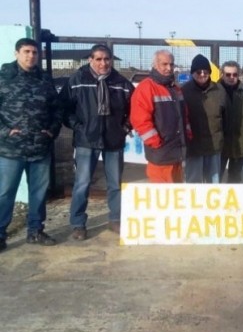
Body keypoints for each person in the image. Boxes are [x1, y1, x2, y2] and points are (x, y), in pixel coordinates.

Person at [61, 44, 134, 240]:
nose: (103, 63)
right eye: (99, 59)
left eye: (107, 59)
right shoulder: (77, 81)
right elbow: (64, 108)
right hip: (86, 140)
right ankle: (78, 224)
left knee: (115, 184)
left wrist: (125, 127)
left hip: (113, 140)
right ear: (90, 60)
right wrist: (77, 126)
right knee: (82, 183)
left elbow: (134, 109)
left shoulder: (121, 82)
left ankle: (115, 219)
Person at [0, 38, 63, 251]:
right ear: (16, 53)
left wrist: (51, 131)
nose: (31, 56)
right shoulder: (4, 78)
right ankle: (0, 234)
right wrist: (5, 132)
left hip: (40, 148)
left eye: (35, 52)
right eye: (26, 51)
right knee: (6, 192)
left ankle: (35, 231)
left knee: (38, 192)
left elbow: (57, 109)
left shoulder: (44, 80)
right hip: (11, 149)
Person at [131, 50, 187, 184]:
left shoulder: (175, 88)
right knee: (161, 196)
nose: (169, 68)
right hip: (160, 153)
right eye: (164, 64)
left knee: (175, 194)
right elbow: (140, 120)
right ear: (155, 65)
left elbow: (185, 115)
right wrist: (155, 143)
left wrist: (187, 134)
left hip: (176, 152)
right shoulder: (146, 87)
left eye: (171, 64)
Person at [181, 54, 225, 183]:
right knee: (193, 182)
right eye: (198, 71)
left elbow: (226, 115)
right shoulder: (184, 91)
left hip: (214, 145)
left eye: (205, 71)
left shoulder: (219, 90)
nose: (202, 74)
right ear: (192, 73)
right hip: (193, 147)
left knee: (214, 183)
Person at [219, 60, 243, 183]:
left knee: (235, 176)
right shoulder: (214, 92)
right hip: (219, 144)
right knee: (216, 176)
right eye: (228, 74)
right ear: (222, 74)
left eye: (235, 74)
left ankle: (231, 202)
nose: (231, 77)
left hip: (240, 143)